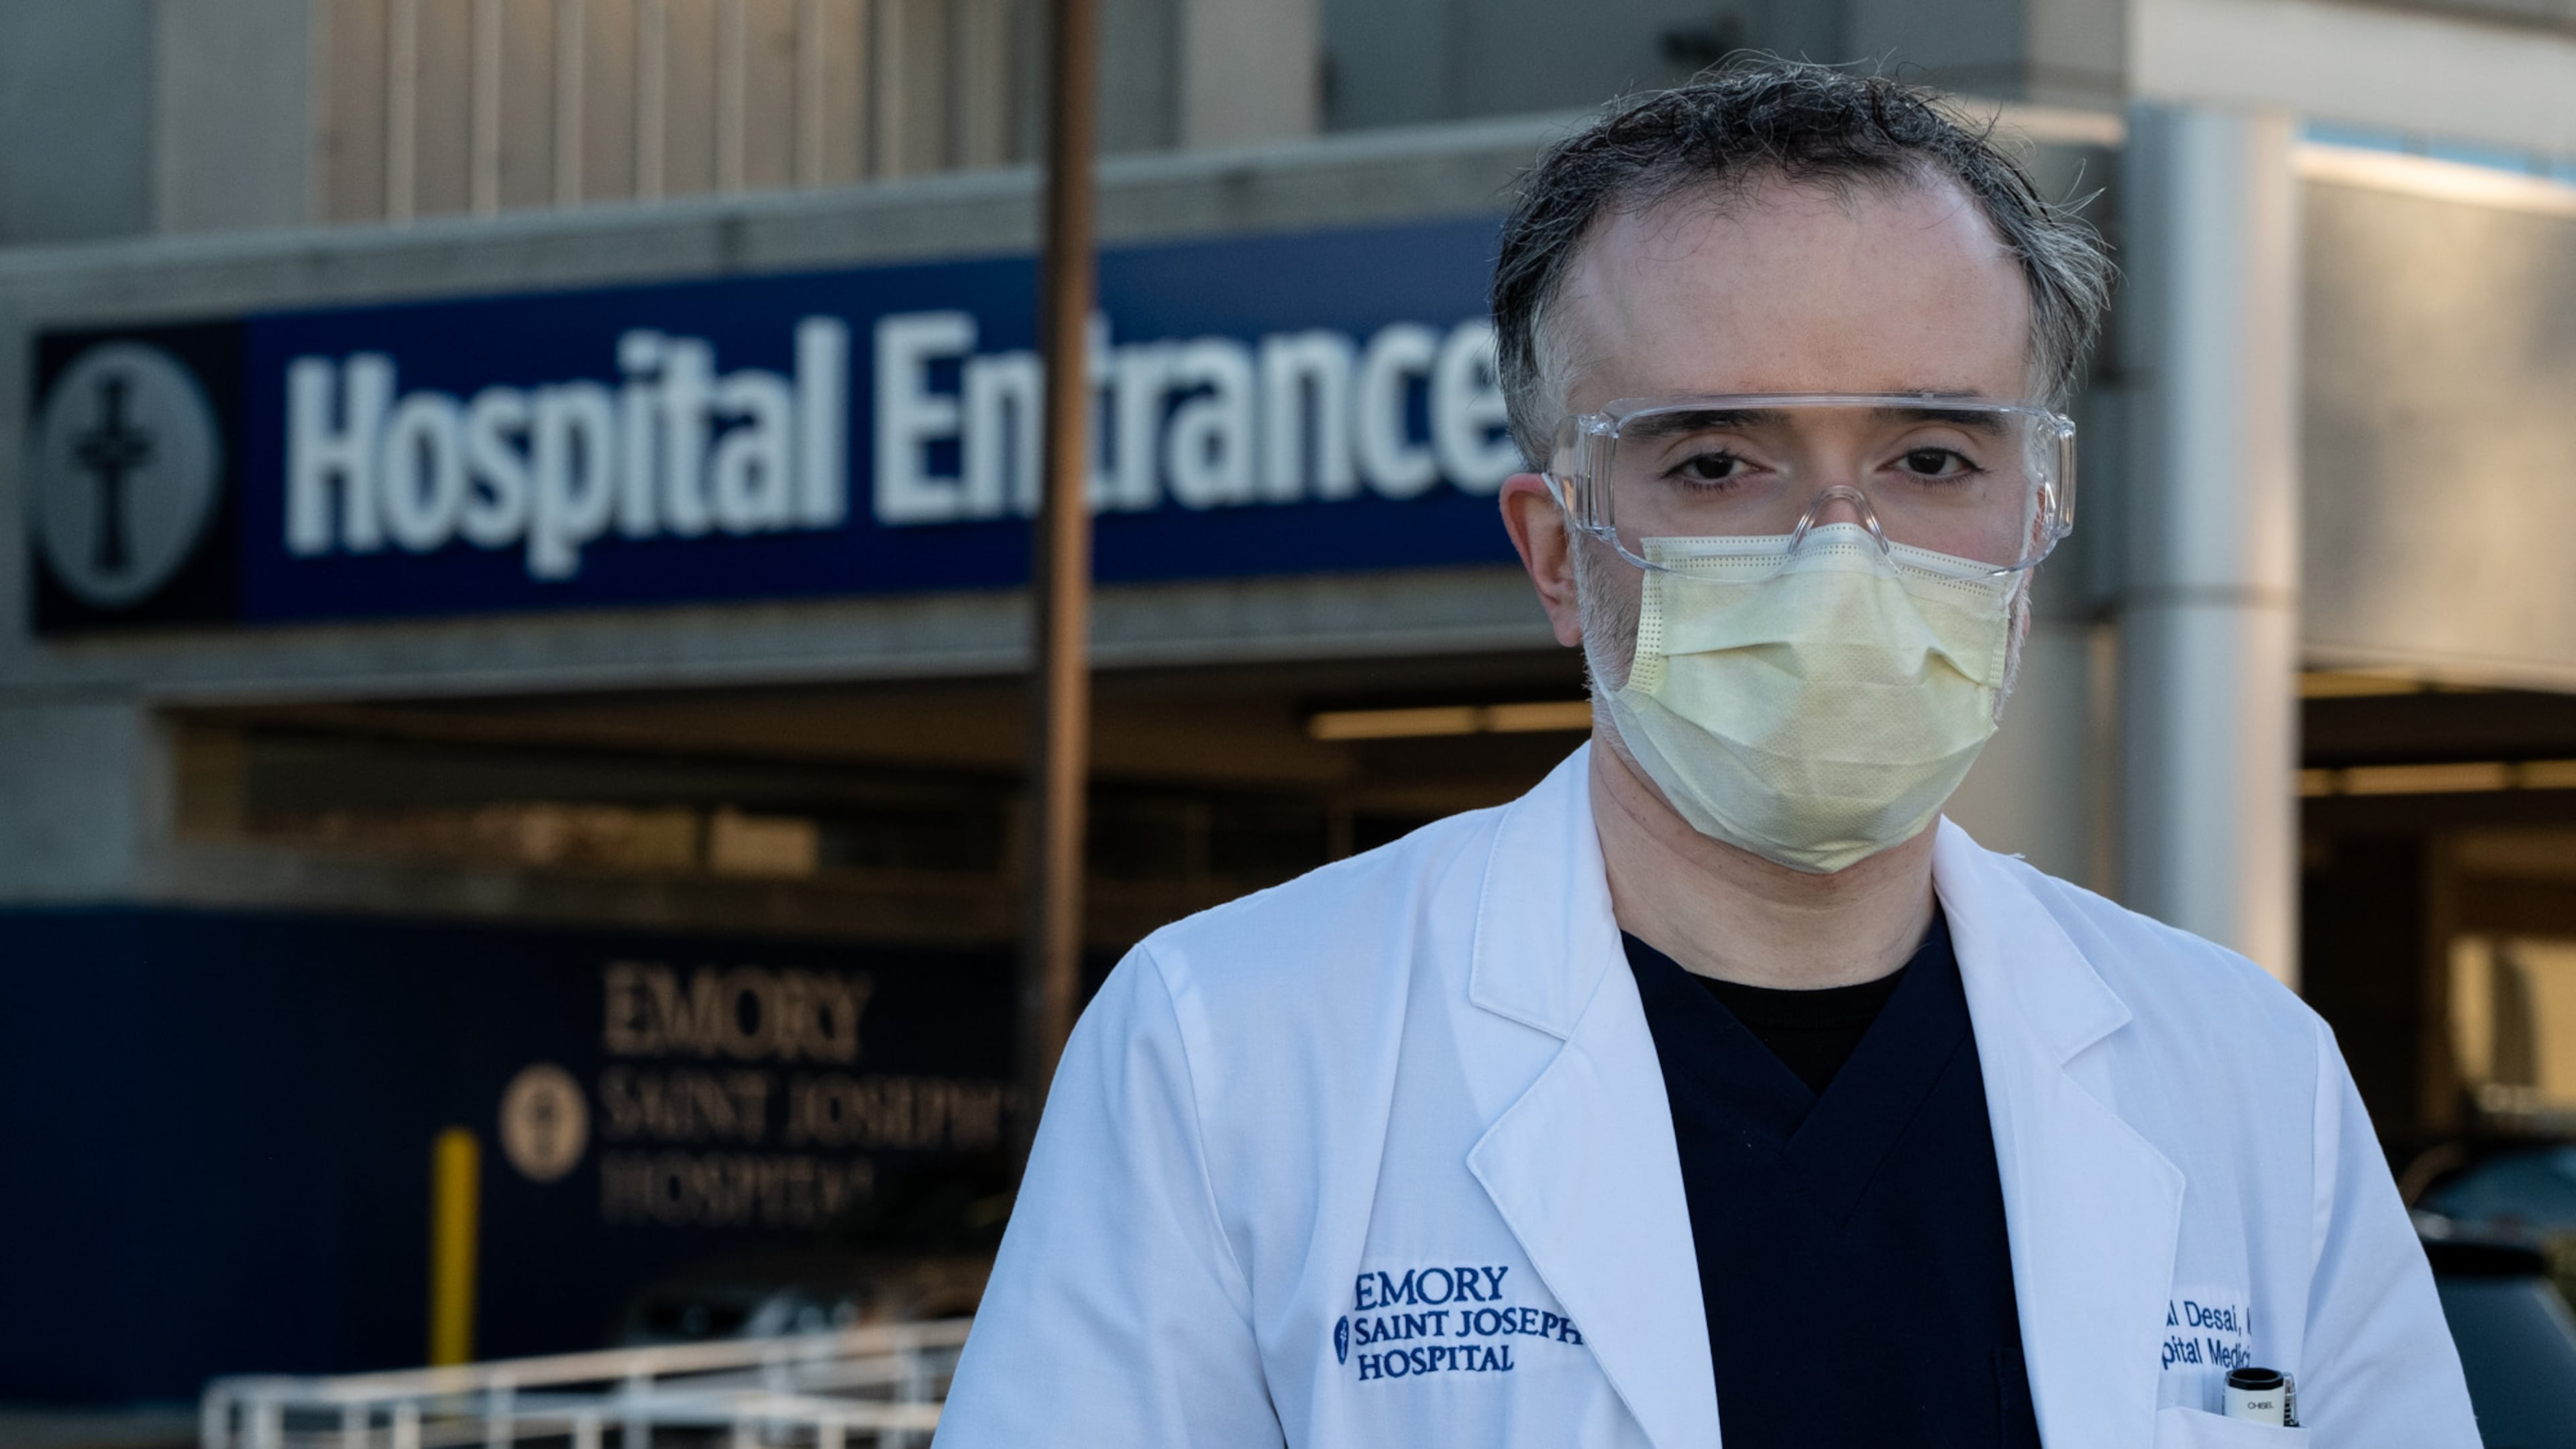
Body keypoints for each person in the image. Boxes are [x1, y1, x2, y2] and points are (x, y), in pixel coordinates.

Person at [936, 62, 2477, 1446]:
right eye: (1716, 463)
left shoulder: (2249, 1081)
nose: (1840, 556)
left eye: (1932, 456)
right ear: (1557, 554)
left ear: (2036, 516)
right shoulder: (1232, 1057)